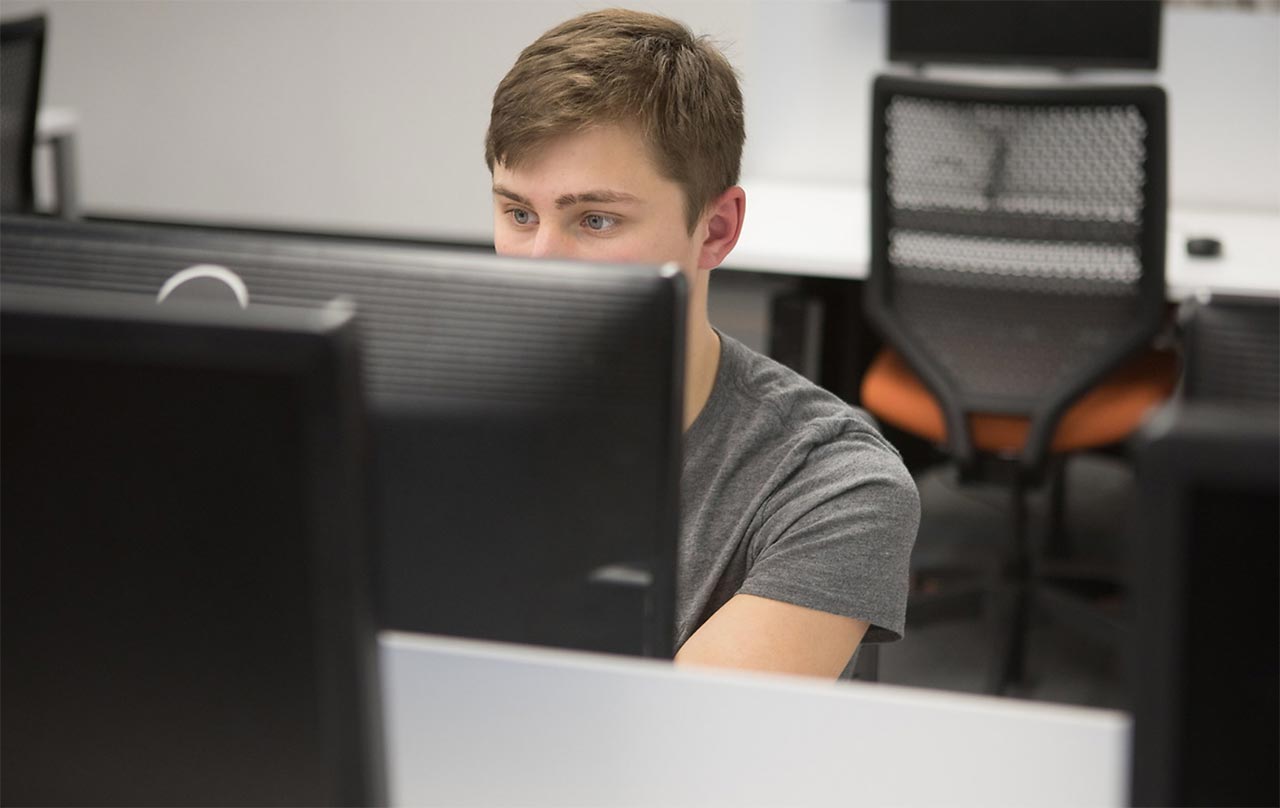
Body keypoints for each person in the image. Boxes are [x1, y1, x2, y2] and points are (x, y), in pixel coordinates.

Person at [485, 8, 919, 679]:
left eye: (594, 219)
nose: (540, 264)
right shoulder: (423, 425)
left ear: (714, 230)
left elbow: (676, 763)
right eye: (519, 214)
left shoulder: (832, 485)